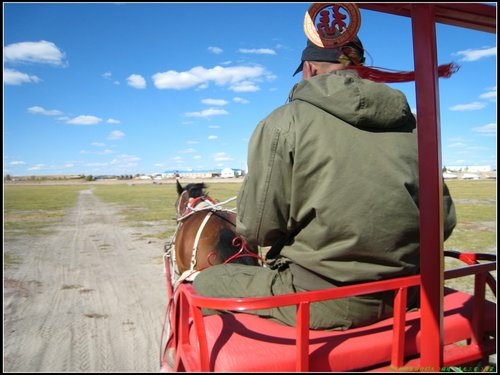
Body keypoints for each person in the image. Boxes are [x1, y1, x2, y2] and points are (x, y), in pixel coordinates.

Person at [192, 34, 457, 330]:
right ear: (360, 68)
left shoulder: (284, 122)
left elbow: (257, 230)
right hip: (407, 292)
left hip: (321, 299)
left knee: (207, 280)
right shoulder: (415, 124)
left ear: (310, 69)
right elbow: (443, 222)